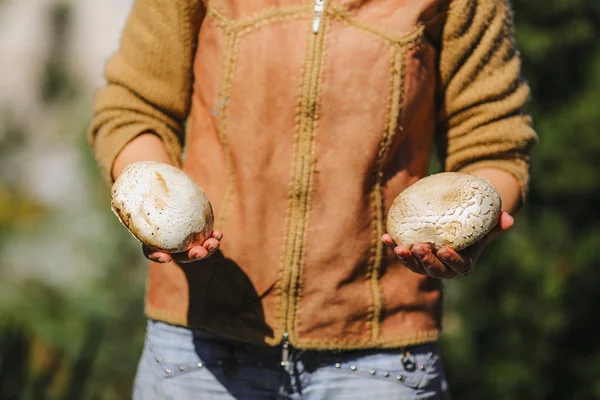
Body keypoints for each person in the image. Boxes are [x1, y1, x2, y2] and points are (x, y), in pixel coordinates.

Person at [88, 0, 537, 398]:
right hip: (197, 353)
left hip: (381, 363)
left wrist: (473, 225)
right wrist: (153, 209)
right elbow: (134, 107)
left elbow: (494, 143)